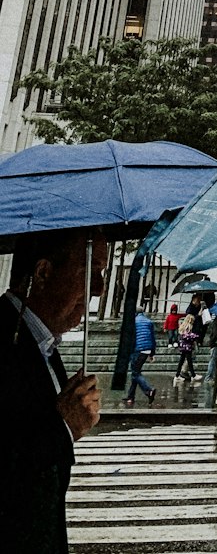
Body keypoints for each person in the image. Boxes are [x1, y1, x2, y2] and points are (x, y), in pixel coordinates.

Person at [0, 228, 107, 554]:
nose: (99, 289)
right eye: (90, 271)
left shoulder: (41, 343)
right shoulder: (6, 337)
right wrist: (63, 428)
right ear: (43, 273)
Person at [124, 304, 157, 406]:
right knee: (136, 372)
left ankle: (149, 390)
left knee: (135, 373)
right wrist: (152, 353)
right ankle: (130, 396)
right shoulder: (148, 322)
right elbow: (153, 338)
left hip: (137, 350)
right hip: (146, 350)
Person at [174, 312, 199, 383]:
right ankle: (193, 375)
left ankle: (177, 375)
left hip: (183, 346)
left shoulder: (182, 326)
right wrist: (195, 336)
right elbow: (187, 336)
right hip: (187, 346)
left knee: (182, 361)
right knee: (189, 361)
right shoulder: (188, 327)